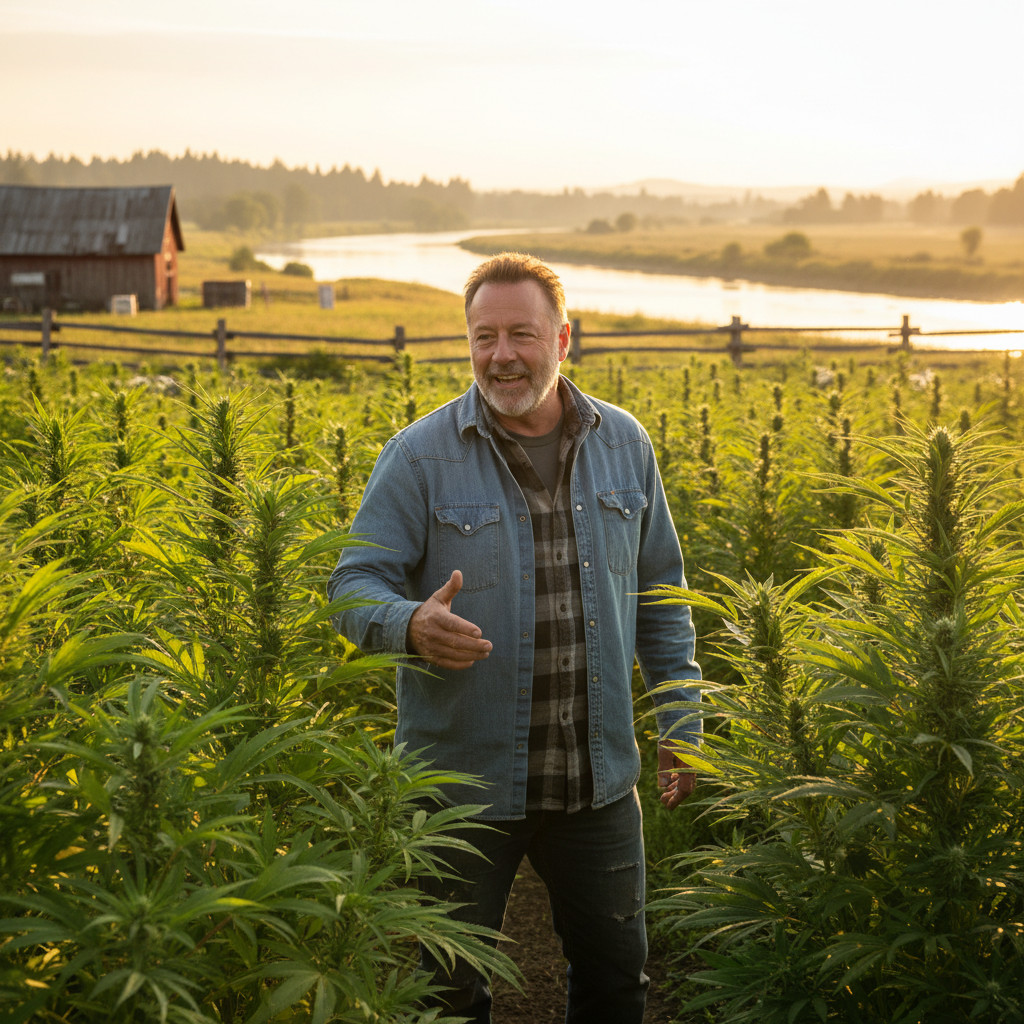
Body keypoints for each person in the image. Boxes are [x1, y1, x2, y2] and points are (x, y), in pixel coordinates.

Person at [327, 252, 701, 1023]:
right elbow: (351, 588)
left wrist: (680, 714)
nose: (501, 355)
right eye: (484, 336)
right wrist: (410, 624)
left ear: (564, 340)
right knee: (448, 991)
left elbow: (662, 597)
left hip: (594, 784)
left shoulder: (625, 444)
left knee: (614, 983)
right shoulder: (419, 456)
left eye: (522, 335)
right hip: (461, 786)